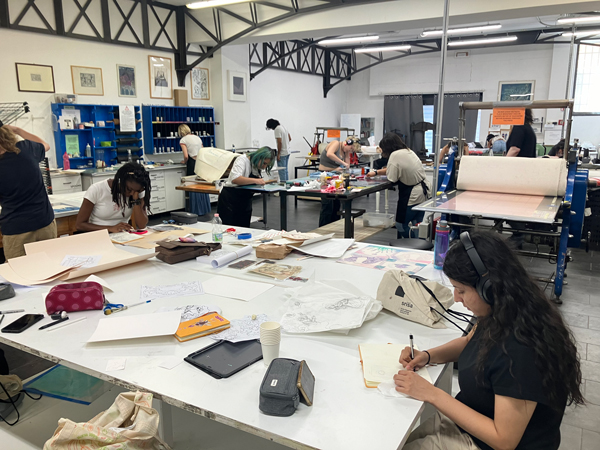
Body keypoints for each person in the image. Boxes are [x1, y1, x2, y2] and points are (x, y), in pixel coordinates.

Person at [395, 231, 584, 450]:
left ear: (489, 287)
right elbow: (470, 341)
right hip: (472, 423)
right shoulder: (504, 310)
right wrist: (428, 356)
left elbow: (503, 439)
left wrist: (432, 394)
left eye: (462, 290)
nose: (456, 298)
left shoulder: (521, 350)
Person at [0, 124, 56, 259]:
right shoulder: (26, 149)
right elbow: (45, 145)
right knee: (51, 269)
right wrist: (18, 130)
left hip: (17, 230)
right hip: (44, 223)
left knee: (21, 275)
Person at [366, 133, 431, 238]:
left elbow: (392, 178)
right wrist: (376, 172)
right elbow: (397, 168)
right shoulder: (407, 151)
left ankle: (410, 243)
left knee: (400, 225)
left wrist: (378, 173)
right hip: (424, 192)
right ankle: (418, 246)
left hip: (412, 195)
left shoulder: (394, 155)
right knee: (416, 224)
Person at [76, 163, 151, 233]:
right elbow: (80, 225)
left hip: (122, 236)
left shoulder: (136, 193)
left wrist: (136, 200)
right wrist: (110, 228)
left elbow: (142, 225)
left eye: (137, 191)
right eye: (129, 189)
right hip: (99, 235)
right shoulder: (97, 189)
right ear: (120, 181)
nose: (132, 193)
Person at [216, 147, 275, 227]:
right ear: (258, 157)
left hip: (244, 201)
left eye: (267, 165)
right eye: (264, 163)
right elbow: (235, 179)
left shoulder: (255, 165)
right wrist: (256, 181)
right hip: (230, 200)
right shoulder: (242, 160)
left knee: (244, 229)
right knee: (229, 229)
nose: (264, 167)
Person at [318, 136, 361, 226]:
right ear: (347, 143)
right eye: (351, 148)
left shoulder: (345, 150)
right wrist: (343, 163)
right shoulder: (336, 143)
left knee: (336, 204)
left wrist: (347, 167)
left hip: (335, 177)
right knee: (327, 205)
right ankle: (323, 229)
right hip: (325, 175)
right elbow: (329, 154)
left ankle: (334, 227)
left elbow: (347, 164)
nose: (350, 151)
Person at [178, 124, 211, 216]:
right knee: (201, 184)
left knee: (192, 185)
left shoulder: (183, 140)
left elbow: (186, 155)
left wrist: (184, 161)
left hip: (192, 163)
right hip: (200, 162)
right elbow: (203, 150)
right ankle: (204, 208)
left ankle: (195, 209)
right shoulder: (197, 138)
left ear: (181, 132)